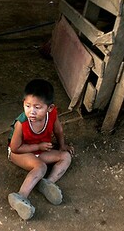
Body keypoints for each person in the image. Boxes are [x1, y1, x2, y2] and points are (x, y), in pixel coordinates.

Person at [7, 79, 74, 220]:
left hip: (40, 150)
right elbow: (15, 148)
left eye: (37, 107)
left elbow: (58, 130)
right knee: (41, 166)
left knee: (66, 156)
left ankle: (47, 183)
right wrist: (38, 147)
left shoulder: (52, 114)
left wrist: (62, 145)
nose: (32, 111)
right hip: (20, 153)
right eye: (28, 106)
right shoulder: (22, 123)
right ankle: (20, 196)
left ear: (49, 108)